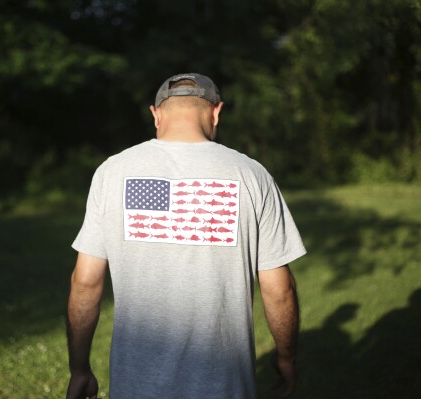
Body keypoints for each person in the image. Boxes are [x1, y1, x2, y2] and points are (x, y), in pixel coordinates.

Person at [66, 73, 306, 399]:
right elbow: (280, 291)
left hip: (136, 386)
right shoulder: (252, 175)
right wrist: (286, 359)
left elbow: (85, 282)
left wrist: (79, 368)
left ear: (156, 114)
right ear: (216, 112)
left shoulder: (112, 172)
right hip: (226, 387)